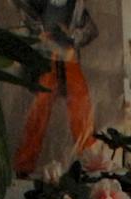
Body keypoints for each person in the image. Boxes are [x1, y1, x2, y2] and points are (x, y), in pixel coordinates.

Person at [11, 0, 97, 177]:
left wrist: (73, 35)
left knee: (81, 110)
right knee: (38, 114)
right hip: (45, 61)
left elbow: (90, 31)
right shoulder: (33, 5)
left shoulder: (75, 6)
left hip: (69, 59)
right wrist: (39, 35)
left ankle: (91, 163)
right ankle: (23, 166)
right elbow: (26, 27)